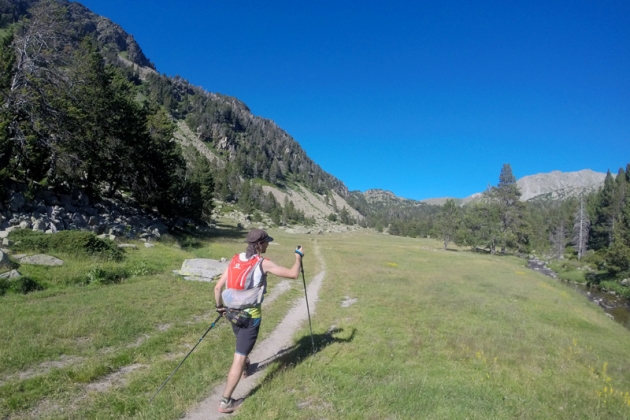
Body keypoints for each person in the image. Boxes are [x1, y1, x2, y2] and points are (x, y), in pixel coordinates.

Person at [213, 228, 304, 413]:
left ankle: (246, 367)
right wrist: (298, 256)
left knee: (241, 347)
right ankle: (225, 401)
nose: (268, 244)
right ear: (260, 245)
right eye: (267, 242)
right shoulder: (262, 263)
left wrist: (220, 307)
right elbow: (293, 274)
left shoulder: (235, 259)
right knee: (238, 357)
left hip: (232, 314)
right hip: (250, 318)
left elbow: (217, 287)